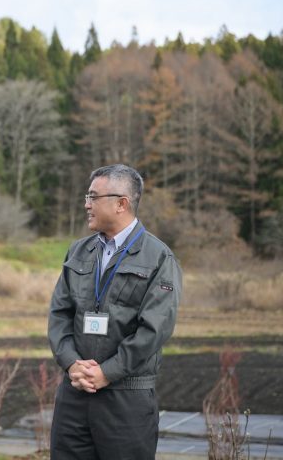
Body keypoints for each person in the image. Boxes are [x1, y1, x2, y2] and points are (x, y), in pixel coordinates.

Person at [47, 164, 181, 460]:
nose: (86, 204)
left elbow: (154, 329)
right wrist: (71, 364)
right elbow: (59, 315)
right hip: (75, 392)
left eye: (93, 197)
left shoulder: (159, 258)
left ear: (122, 203)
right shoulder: (78, 251)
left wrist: (108, 372)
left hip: (127, 399)